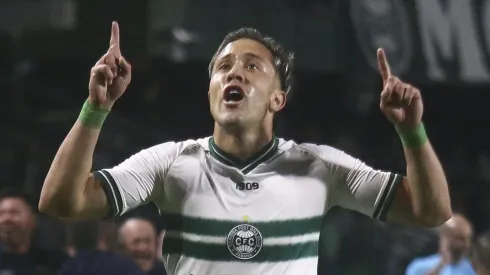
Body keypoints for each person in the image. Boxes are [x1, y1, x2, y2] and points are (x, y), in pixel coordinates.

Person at [38, 22, 452, 275]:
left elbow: (430, 211)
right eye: (223, 67)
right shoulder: (169, 163)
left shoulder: (319, 167)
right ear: (211, 93)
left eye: (252, 65)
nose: (234, 71)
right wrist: (96, 109)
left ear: (278, 99)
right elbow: (62, 201)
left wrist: (411, 132)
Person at [0, 189, 67, 275]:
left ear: (32, 219)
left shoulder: (56, 263)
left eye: (14, 213)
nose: (6, 219)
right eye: (1, 213)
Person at [406, 214, 475, 275]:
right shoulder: (419, 267)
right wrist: (443, 263)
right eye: (460, 238)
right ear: (444, 237)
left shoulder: (473, 270)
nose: (466, 244)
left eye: (468, 238)